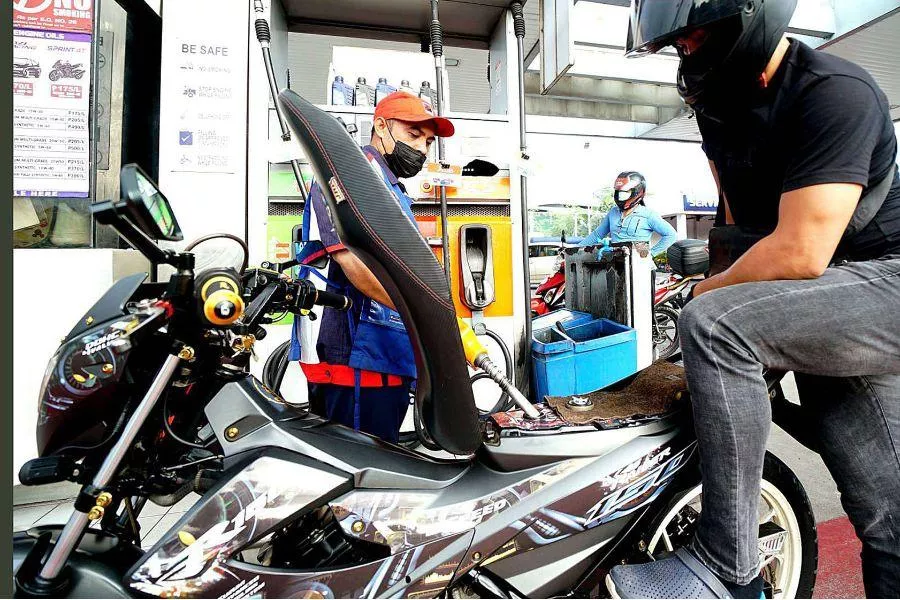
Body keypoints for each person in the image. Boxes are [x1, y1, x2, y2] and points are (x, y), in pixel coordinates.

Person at [606, 0, 900, 598]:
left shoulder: (834, 92)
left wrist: (702, 303)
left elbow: (799, 252)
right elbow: (737, 228)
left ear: (746, 16)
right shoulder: (720, 108)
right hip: (821, 295)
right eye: (677, 45)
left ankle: (724, 564)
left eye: (692, 37)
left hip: (883, 281)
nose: (685, 54)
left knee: (716, 326)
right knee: (885, 514)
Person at [289, 91, 454, 444]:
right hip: (354, 356)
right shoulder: (346, 177)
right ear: (380, 125)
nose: (422, 150)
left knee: (384, 458)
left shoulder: (391, 189)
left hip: (385, 354)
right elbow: (352, 262)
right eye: (413, 135)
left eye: (427, 142)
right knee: (362, 469)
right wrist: (428, 316)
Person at [580, 171, 677, 257]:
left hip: (641, 269)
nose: (620, 196)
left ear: (637, 192)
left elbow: (671, 235)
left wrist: (650, 254)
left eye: (625, 193)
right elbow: (596, 235)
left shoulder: (648, 214)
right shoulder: (613, 212)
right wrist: (573, 250)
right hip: (616, 265)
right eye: (618, 192)